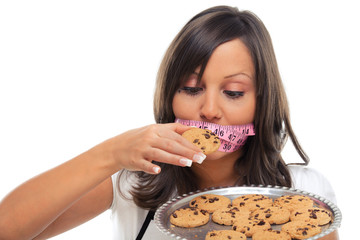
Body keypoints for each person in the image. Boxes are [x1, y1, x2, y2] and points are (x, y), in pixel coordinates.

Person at [0, 5, 338, 240]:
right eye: (191, 88)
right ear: (169, 95)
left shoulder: (306, 195)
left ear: (261, 101)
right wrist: (112, 153)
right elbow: (6, 229)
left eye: (233, 92)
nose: (209, 110)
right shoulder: (132, 185)